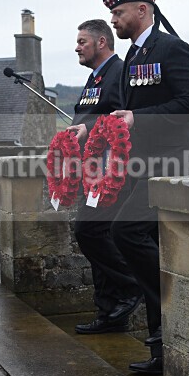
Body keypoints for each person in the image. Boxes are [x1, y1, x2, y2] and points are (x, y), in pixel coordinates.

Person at [104, 0, 189, 375]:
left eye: (118, 12)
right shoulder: (132, 57)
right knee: (151, 245)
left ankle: (175, 300)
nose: (113, 19)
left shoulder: (171, 48)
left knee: (125, 232)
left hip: (176, 161)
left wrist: (137, 119)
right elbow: (125, 110)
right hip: (144, 164)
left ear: (142, 9)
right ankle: (163, 352)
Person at [65, 19, 142, 335]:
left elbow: (124, 122)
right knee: (98, 236)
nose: (77, 47)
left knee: (89, 230)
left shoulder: (120, 73)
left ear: (101, 42)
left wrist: (89, 131)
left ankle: (132, 284)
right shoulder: (95, 78)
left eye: (82, 41)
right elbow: (90, 115)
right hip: (91, 169)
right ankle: (110, 313)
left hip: (112, 171)